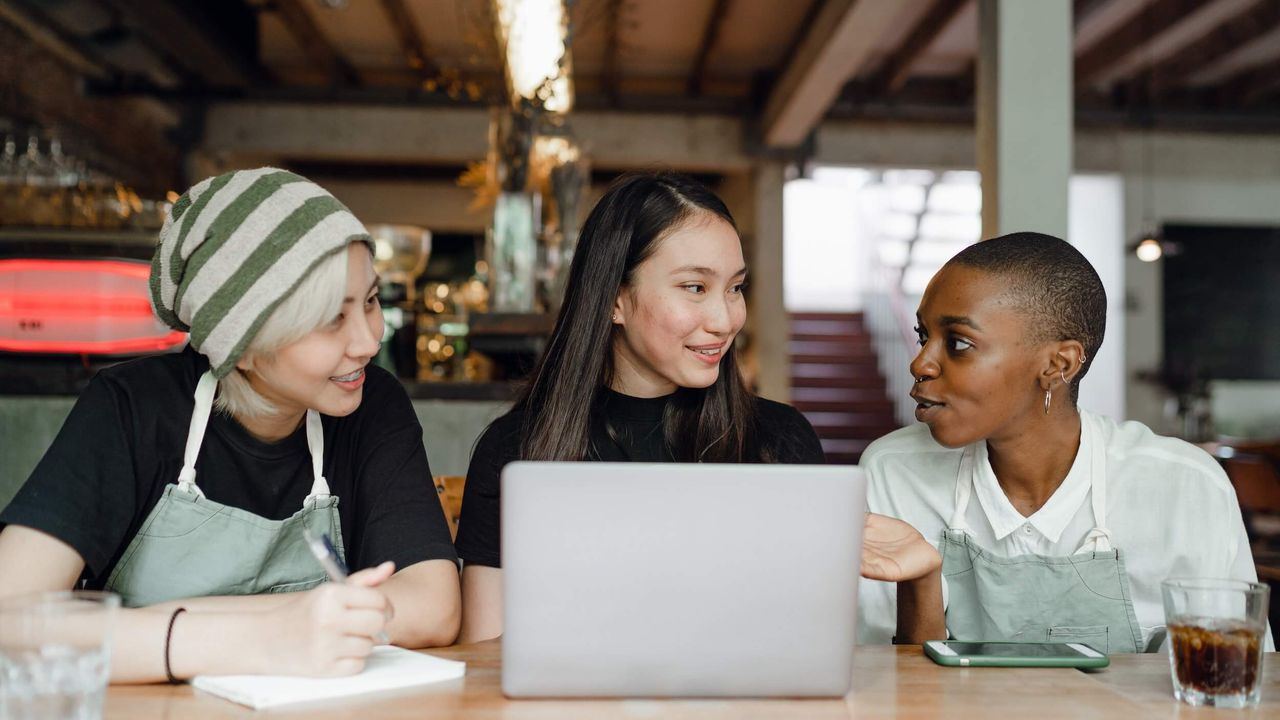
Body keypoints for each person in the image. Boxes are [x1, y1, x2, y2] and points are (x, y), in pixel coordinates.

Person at [0, 168, 461, 682]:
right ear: (241, 347)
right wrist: (267, 637)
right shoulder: (131, 408)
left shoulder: (372, 405)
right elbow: (12, 621)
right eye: (333, 318)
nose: (368, 342)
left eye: (371, 302)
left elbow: (432, 605)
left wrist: (144, 631)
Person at [456, 171, 944, 644]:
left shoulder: (778, 440)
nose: (725, 319)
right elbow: (485, 649)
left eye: (734, 288)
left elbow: (813, 640)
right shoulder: (517, 449)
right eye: (695, 287)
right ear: (614, 300)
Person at [857, 231, 1270, 652]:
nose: (920, 362)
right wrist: (922, 583)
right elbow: (889, 685)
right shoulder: (893, 471)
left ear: (1059, 364)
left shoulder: (1184, 485)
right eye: (924, 335)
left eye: (959, 343)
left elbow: (1231, 679)